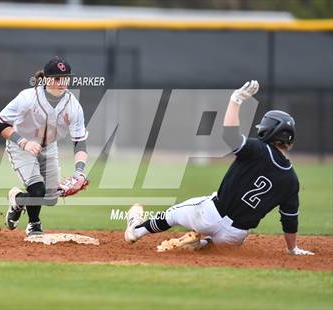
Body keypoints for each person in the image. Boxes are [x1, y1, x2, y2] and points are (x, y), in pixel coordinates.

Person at [125, 80, 314, 255]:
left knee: (172, 215)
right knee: (216, 247)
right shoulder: (291, 180)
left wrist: (235, 100)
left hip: (210, 214)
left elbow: (230, 136)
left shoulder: (258, 149)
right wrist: (293, 249)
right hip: (235, 235)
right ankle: (200, 244)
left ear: (268, 131)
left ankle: (135, 231)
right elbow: (289, 219)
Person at [0, 56, 88, 236]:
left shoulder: (73, 105)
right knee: (37, 188)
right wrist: (23, 142)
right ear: (46, 79)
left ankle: (19, 200)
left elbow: (80, 141)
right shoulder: (27, 98)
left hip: (48, 147)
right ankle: (34, 224)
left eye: (66, 78)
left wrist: (79, 171)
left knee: (51, 198)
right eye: (57, 78)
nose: (62, 82)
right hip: (21, 145)